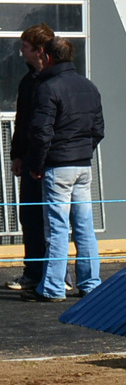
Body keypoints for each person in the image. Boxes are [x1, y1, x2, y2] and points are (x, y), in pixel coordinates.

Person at [26, 35, 104, 303]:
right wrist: (83, 151)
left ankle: (53, 287)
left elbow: (40, 132)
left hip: (57, 166)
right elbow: (98, 130)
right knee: (85, 227)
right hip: (83, 165)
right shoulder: (89, 87)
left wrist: (35, 164)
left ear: (47, 57)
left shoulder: (48, 88)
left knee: (57, 228)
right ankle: (91, 283)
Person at [6, 24, 56, 294]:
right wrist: (16, 154)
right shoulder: (28, 82)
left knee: (54, 220)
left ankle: (57, 274)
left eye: (24, 47)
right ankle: (34, 271)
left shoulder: (55, 81)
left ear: (38, 50)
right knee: (30, 217)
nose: (21, 53)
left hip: (52, 161)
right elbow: (22, 120)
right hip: (29, 161)